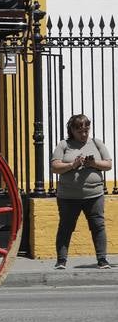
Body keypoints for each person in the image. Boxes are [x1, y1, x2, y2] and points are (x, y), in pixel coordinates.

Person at [51, 114, 112, 270]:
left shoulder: (97, 143)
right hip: (68, 196)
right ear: (72, 130)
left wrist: (94, 163)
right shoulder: (64, 145)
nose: (84, 134)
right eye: (80, 131)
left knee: (98, 226)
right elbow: (55, 167)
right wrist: (73, 164)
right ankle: (61, 260)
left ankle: (102, 259)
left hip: (94, 194)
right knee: (66, 227)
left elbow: (108, 165)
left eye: (86, 130)